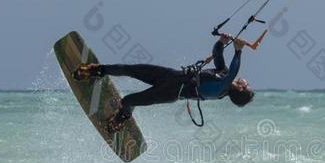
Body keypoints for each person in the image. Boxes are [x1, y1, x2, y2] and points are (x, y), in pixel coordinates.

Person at [73, 34, 254, 132]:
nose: (245, 81)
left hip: (170, 92)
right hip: (170, 76)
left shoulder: (221, 89)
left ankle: (122, 118)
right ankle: (98, 70)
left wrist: (238, 52)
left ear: (239, 88)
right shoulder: (222, 74)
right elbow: (218, 55)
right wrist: (221, 42)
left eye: (245, 85)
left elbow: (232, 73)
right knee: (130, 69)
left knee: (127, 101)